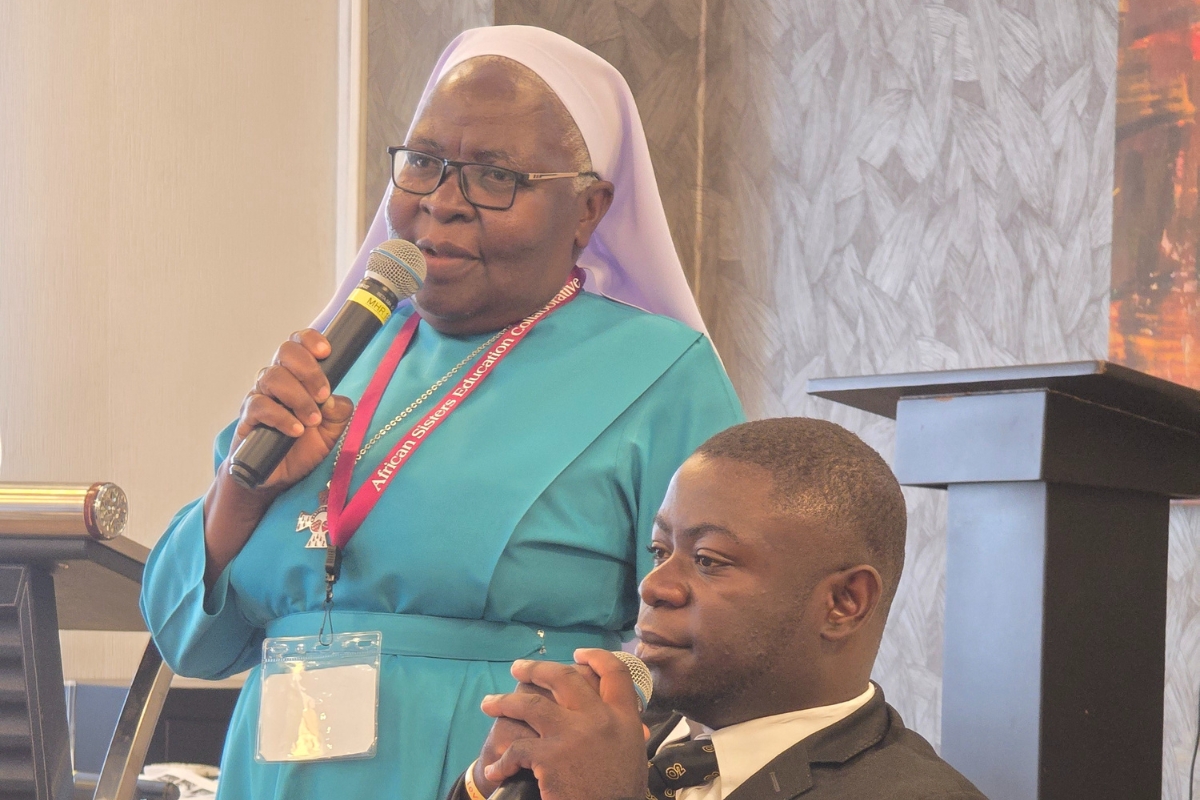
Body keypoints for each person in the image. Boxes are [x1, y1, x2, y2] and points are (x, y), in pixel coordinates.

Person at [139, 25, 744, 800]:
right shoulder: (339, 354)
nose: (443, 203)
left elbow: (712, 637)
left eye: (495, 176)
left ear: (587, 209)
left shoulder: (659, 373)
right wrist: (243, 490)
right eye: (424, 163)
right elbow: (188, 639)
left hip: (495, 775)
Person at [454, 418, 986, 800]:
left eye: (708, 560)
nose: (655, 586)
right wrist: (487, 784)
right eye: (660, 552)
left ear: (843, 603)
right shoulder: (614, 732)